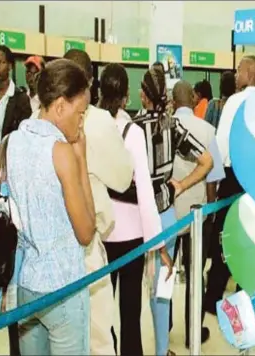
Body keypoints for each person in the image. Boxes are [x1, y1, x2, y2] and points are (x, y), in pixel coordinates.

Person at [0, 59, 94, 354]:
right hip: (64, 289)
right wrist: (81, 159)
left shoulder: (9, 143)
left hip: (24, 287)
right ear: (60, 106)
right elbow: (86, 231)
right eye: (80, 112)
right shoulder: (61, 152)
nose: (80, 122)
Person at [133, 67, 213, 356]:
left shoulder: (132, 128)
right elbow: (206, 161)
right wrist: (180, 185)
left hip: (138, 220)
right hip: (166, 217)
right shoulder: (173, 127)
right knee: (162, 291)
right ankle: (162, 350)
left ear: (143, 95)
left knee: (133, 290)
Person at [63, 49, 133, 356]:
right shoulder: (98, 121)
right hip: (86, 246)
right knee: (98, 338)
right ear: (89, 83)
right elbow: (123, 177)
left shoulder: (33, 121)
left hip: (45, 253)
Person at [97, 63, 165, 356]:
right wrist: (157, 242)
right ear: (126, 96)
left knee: (99, 313)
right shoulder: (133, 132)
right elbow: (146, 192)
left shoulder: (89, 125)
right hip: (131, 236)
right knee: (129, 313)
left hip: (98, 232)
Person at [168, 80, 225, 348]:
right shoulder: (207, 129)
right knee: (194, 276)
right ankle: (193, 331)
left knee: (165, 272)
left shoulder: (164, 127)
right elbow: (212, 177)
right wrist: (211, 211)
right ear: (192, 99)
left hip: (168, 213)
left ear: (172, 101)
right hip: (198, 214)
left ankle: (164, 322)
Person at [204, 55, 255, 315]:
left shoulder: (235, 102)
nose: (236, 75)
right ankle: (245, 300)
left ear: (249, 73)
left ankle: (214, 299)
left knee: (224, 241)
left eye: (239, 70)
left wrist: (213, 188)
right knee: (252, 241)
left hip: (234, 178)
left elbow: (221, 146)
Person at [0, 45, 32, 197]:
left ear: (10, 66)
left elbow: (25, 137)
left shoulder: (20, 98)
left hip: (10, 168)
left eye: (2, 62)